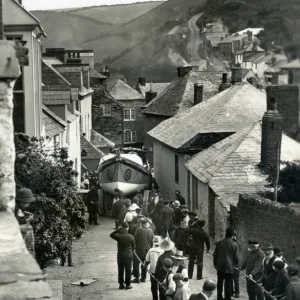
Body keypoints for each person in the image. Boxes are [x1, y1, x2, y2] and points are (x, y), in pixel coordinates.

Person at [213, 227, 239, 300]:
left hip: (220, 266)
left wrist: (215, 264)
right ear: (232, 235)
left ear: (226, 233)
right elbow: (236, 258)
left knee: (219, 283)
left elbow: (215, 255)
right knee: (227, 285)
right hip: (229, 268)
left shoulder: (219, 243)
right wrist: (234, 265)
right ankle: (227, 298)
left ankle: (219, 297)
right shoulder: (234, 244)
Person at [110, 222, 135, 290]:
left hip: (120, 255)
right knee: (128, 270)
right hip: (129, 255)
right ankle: (128, 284)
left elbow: (111, 234)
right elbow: (134, 247)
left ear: (122, 228)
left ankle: (121, 284)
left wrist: (118, 230)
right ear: (128, 228)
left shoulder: (119, 236)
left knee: (120, 270)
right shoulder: (131, 236)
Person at [132, 218, 154, 283]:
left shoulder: (139, 229)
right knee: (145, 263)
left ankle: (137, 277)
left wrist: (134, 247)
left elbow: (135, 239)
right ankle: (143, 278)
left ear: (141, 224)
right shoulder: (150, 230)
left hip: (139, 249)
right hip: (148, 249)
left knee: (136, 263)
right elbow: (151, 241)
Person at [145, 236, 164, 300]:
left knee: (153, 286)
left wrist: (145, 267)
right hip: (161, 271)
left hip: (153, 271)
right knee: (161, 285)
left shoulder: (150, 250)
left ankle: (155, 298)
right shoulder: (163, 251)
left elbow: (147, 260)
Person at [232, 230, 241, 298]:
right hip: (230, 264)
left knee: (236, 279)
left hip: (236, 264)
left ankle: (237, 292)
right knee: (229, 279)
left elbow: (237, 256)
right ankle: (231, 291)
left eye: (234, 235)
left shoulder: (237, 244)